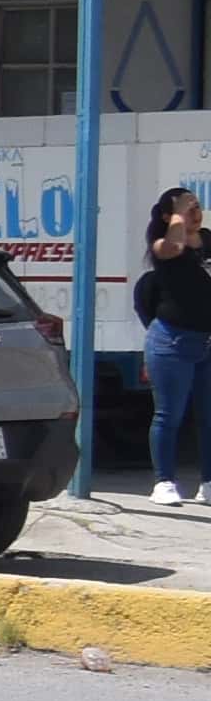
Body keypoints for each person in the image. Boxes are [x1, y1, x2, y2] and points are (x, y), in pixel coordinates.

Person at [137, 185, 210, 506]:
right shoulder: (162, 245)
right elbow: (175, 246)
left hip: (207, 342)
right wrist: (178, 215)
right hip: (171, 341)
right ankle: (164, 482)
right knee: (170, 414)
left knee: (208, 416)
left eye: (197, 206)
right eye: (186, 208)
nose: (195, 212)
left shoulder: (207, 240)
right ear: (169, 216)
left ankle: (208, 482)